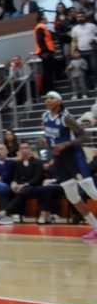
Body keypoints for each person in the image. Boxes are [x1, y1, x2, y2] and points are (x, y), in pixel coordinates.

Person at [38, 92, 97, 239]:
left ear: (59, 102)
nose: (47, 100)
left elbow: (86, 137)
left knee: (92, 192)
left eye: (51, 98)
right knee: (72, 196)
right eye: (46, 98)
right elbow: (50, 136)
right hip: (60, 160)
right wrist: (46, 141)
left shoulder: (66, 117)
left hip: (74, 157)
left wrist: (66, 144)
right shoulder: (45, 116)